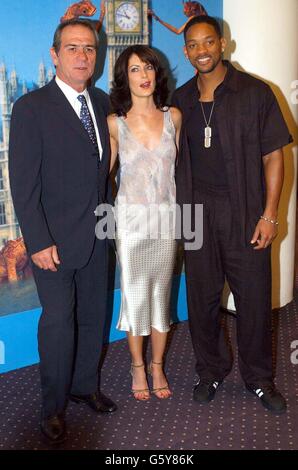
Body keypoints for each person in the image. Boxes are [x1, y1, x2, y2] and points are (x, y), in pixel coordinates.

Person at [172, 15, 293, 414]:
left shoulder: (256, 93)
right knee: (201, 300)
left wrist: (270, 215)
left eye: (208, 42)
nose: (201, 50)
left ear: (223, 44)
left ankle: (259, 379)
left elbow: (275, 155)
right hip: (196, 213)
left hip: (245, 212)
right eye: (193, 44)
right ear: (186, 50)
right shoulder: (181, 99)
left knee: (254, 300)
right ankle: (210, 369)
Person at [9, 19, 116, 445]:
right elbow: (23, 182)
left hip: (98, 235)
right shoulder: (31, 107)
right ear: (55, 55)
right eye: (72, 48)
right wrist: (37, 242)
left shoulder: (106, 103)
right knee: (58, 324)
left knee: (94, 317)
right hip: (52, 242)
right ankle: (51, 407)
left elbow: (105, 175)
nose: (82, 56)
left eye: (89, 48)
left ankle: (84, 386)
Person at [108, 45, 182, 400]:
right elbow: (102, 177)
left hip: (166, 220)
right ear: (125, 77)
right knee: (135, 295)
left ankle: (157, 365)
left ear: (157, 73)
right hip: (132, 224)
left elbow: (180, 173)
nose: (144, 75)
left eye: (149, 67)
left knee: (160, 295)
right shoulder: (114, 124)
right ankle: (137, 366)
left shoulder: (174, 118)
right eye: (135, 69)